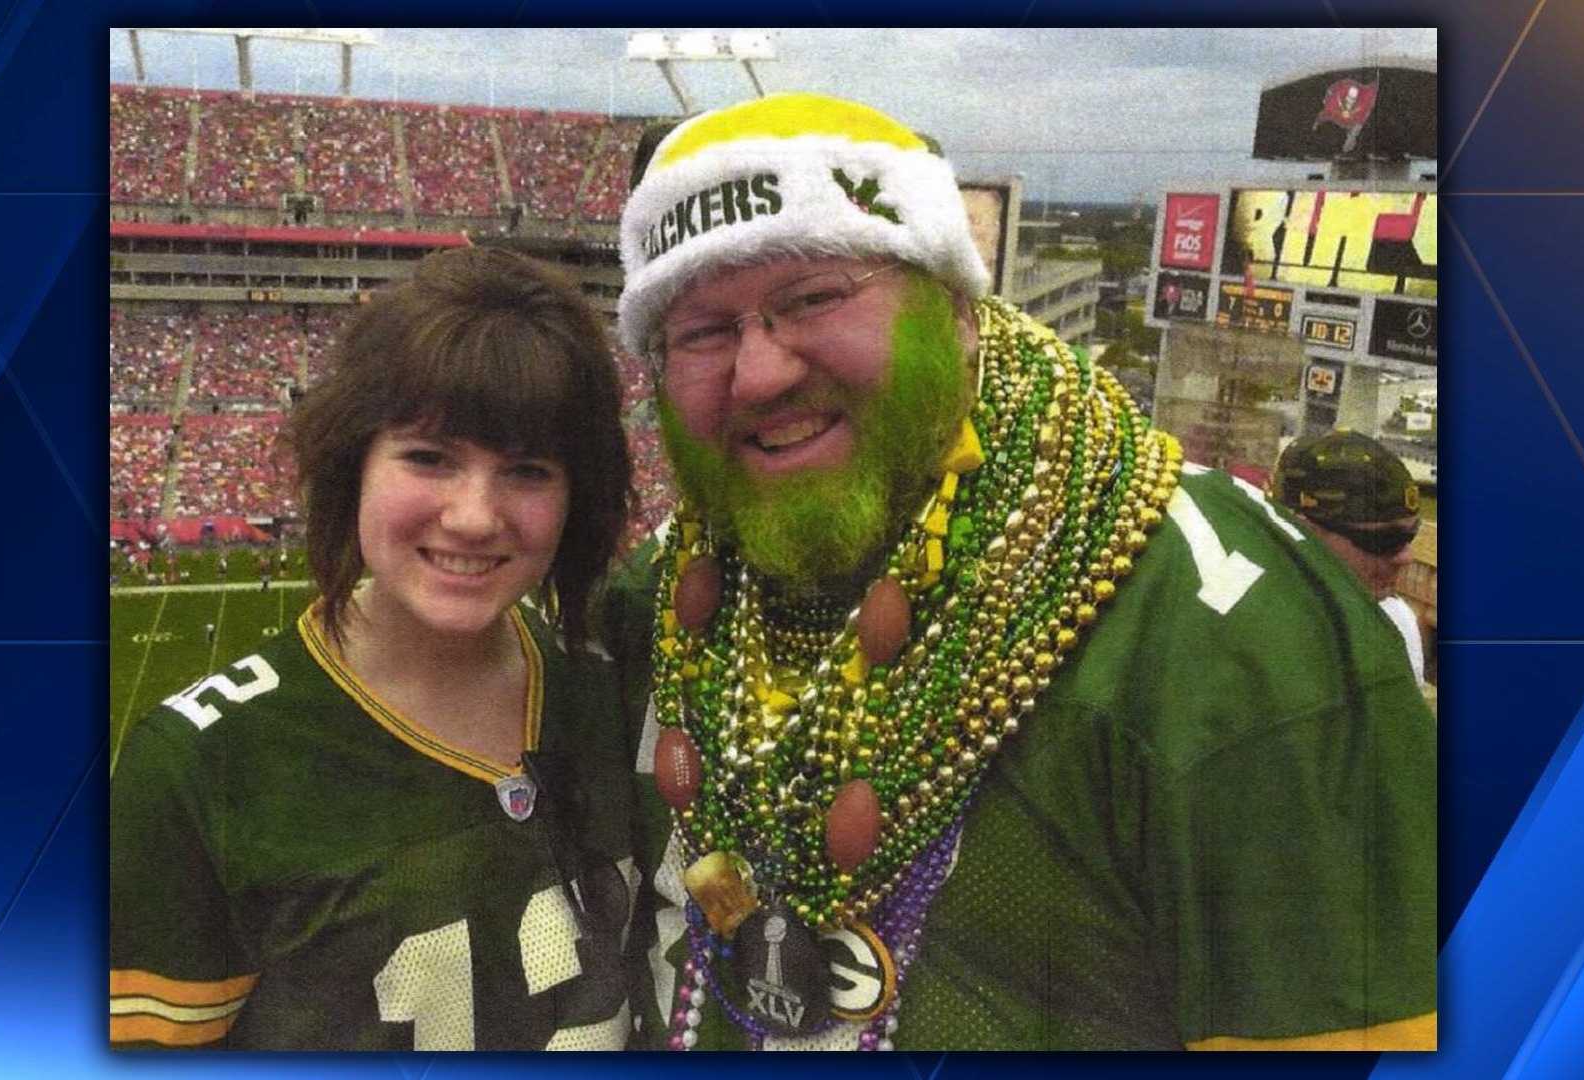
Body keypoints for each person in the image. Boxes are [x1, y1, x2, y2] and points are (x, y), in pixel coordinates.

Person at [601, 94, 1436, 1051]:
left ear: (957, 309)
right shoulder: (661, 598)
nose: (758, 374)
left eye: (815, 298)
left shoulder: (1235, 643)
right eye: (700, 332)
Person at [110, 248, 640, 1050]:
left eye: (528, 471)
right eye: (429, 458)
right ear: (351, 462)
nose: (473, 516)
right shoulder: (194, 767)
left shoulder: (608, 685)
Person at [1273, 430, 1428, 686]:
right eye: (1385, 541)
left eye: (1411, 536)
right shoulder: (1234, 620)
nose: (1405, 557)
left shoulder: (1392, 620)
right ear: (1302, 533)